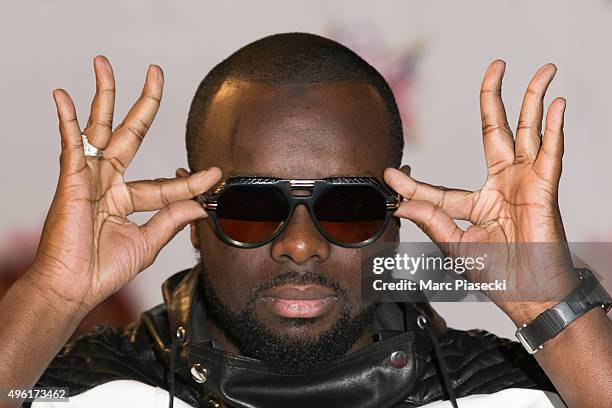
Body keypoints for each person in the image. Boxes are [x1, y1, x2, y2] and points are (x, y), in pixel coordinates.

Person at [0, 33, 610, 408]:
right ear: (192, 220)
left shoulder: (512, 394)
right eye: (252, 206)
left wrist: (548, 299)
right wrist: (53, 292)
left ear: (396, 221)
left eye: (348, 208)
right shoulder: (77, 391)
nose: (299, 245)